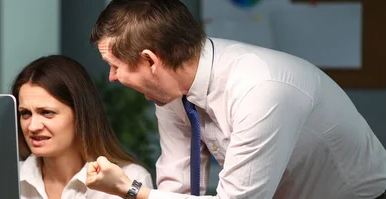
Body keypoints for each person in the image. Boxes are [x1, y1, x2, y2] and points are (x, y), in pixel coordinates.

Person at [84, 0, 386, 199]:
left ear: (151, 61)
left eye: (115, 66)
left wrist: (130, 188)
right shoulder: (172, 89)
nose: (111, 77)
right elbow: (179, 188)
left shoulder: (261, 90)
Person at [10, 55, 154, 199]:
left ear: (81, 114)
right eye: (25, 113)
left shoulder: (131, 179)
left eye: (47, 113)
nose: (33, 127)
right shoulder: (7, 178)